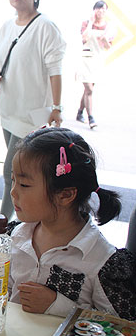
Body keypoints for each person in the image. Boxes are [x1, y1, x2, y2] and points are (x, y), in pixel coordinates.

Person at [8, 127, 135, 321]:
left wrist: (58, 306)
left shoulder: (101, 260)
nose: (13, 192)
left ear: (66, 195)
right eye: (13, 180)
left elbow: (123, 329)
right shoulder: (15, 236)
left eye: (24, 185)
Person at [0, 0, 66, 221]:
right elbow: (4, 62)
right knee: (20, 172)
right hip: (8, 110)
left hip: (31, 116)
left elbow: (55, 71)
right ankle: (25, 220)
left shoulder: (46, 27)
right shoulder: (6, 27)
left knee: (12, 173)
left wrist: (57, 107)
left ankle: (2, 223)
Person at [75, 0, 114, 129]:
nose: (101, 11)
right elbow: (84, 39)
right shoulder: (86, 23)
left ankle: (80, 112)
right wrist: (91, 23)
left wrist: (104, 39)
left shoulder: (108, 26)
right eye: (99, 9)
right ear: (94, 10)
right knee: (89, 89)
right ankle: (91, 118)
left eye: (103, 9)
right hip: (86, 58)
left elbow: (108, 46)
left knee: (88, 89)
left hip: (98, 59)